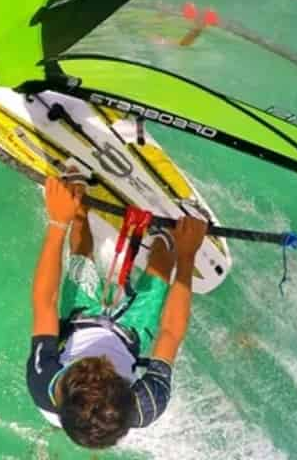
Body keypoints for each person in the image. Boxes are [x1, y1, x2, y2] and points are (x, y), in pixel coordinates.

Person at [26, 175, 207, 449]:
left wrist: (57, 222)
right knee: (161, 267)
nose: (99, 357)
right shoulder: (146, 403)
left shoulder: (44, 382)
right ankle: (165, 239)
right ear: (126, 390)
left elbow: (45, 302)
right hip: (129, 337)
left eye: (85, 366)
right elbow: (170, 333)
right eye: (106, 369)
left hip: (79, 320)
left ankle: (77, 205)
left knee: (81, 254)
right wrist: (187, 256)